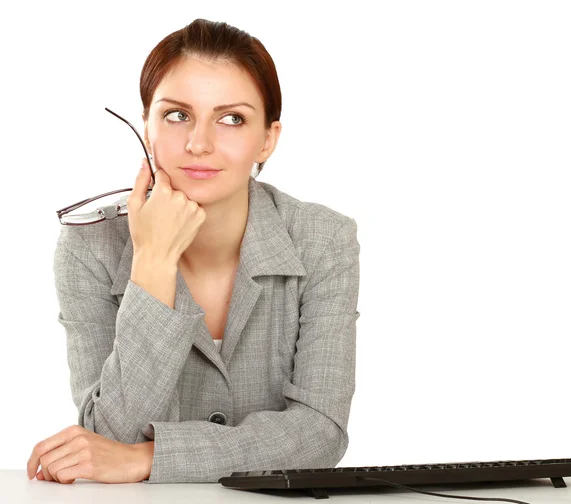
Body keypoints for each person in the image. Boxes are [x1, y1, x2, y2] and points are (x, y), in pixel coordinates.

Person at [27, 18, 360, 485]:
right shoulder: (90, 248)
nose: (198, 144)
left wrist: (151, 457)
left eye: (231, 119)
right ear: (146, 126)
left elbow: (320, 434)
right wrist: (153, 263)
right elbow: (109, 435)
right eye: (177, 115)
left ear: (268, 138)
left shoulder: (323, 240)